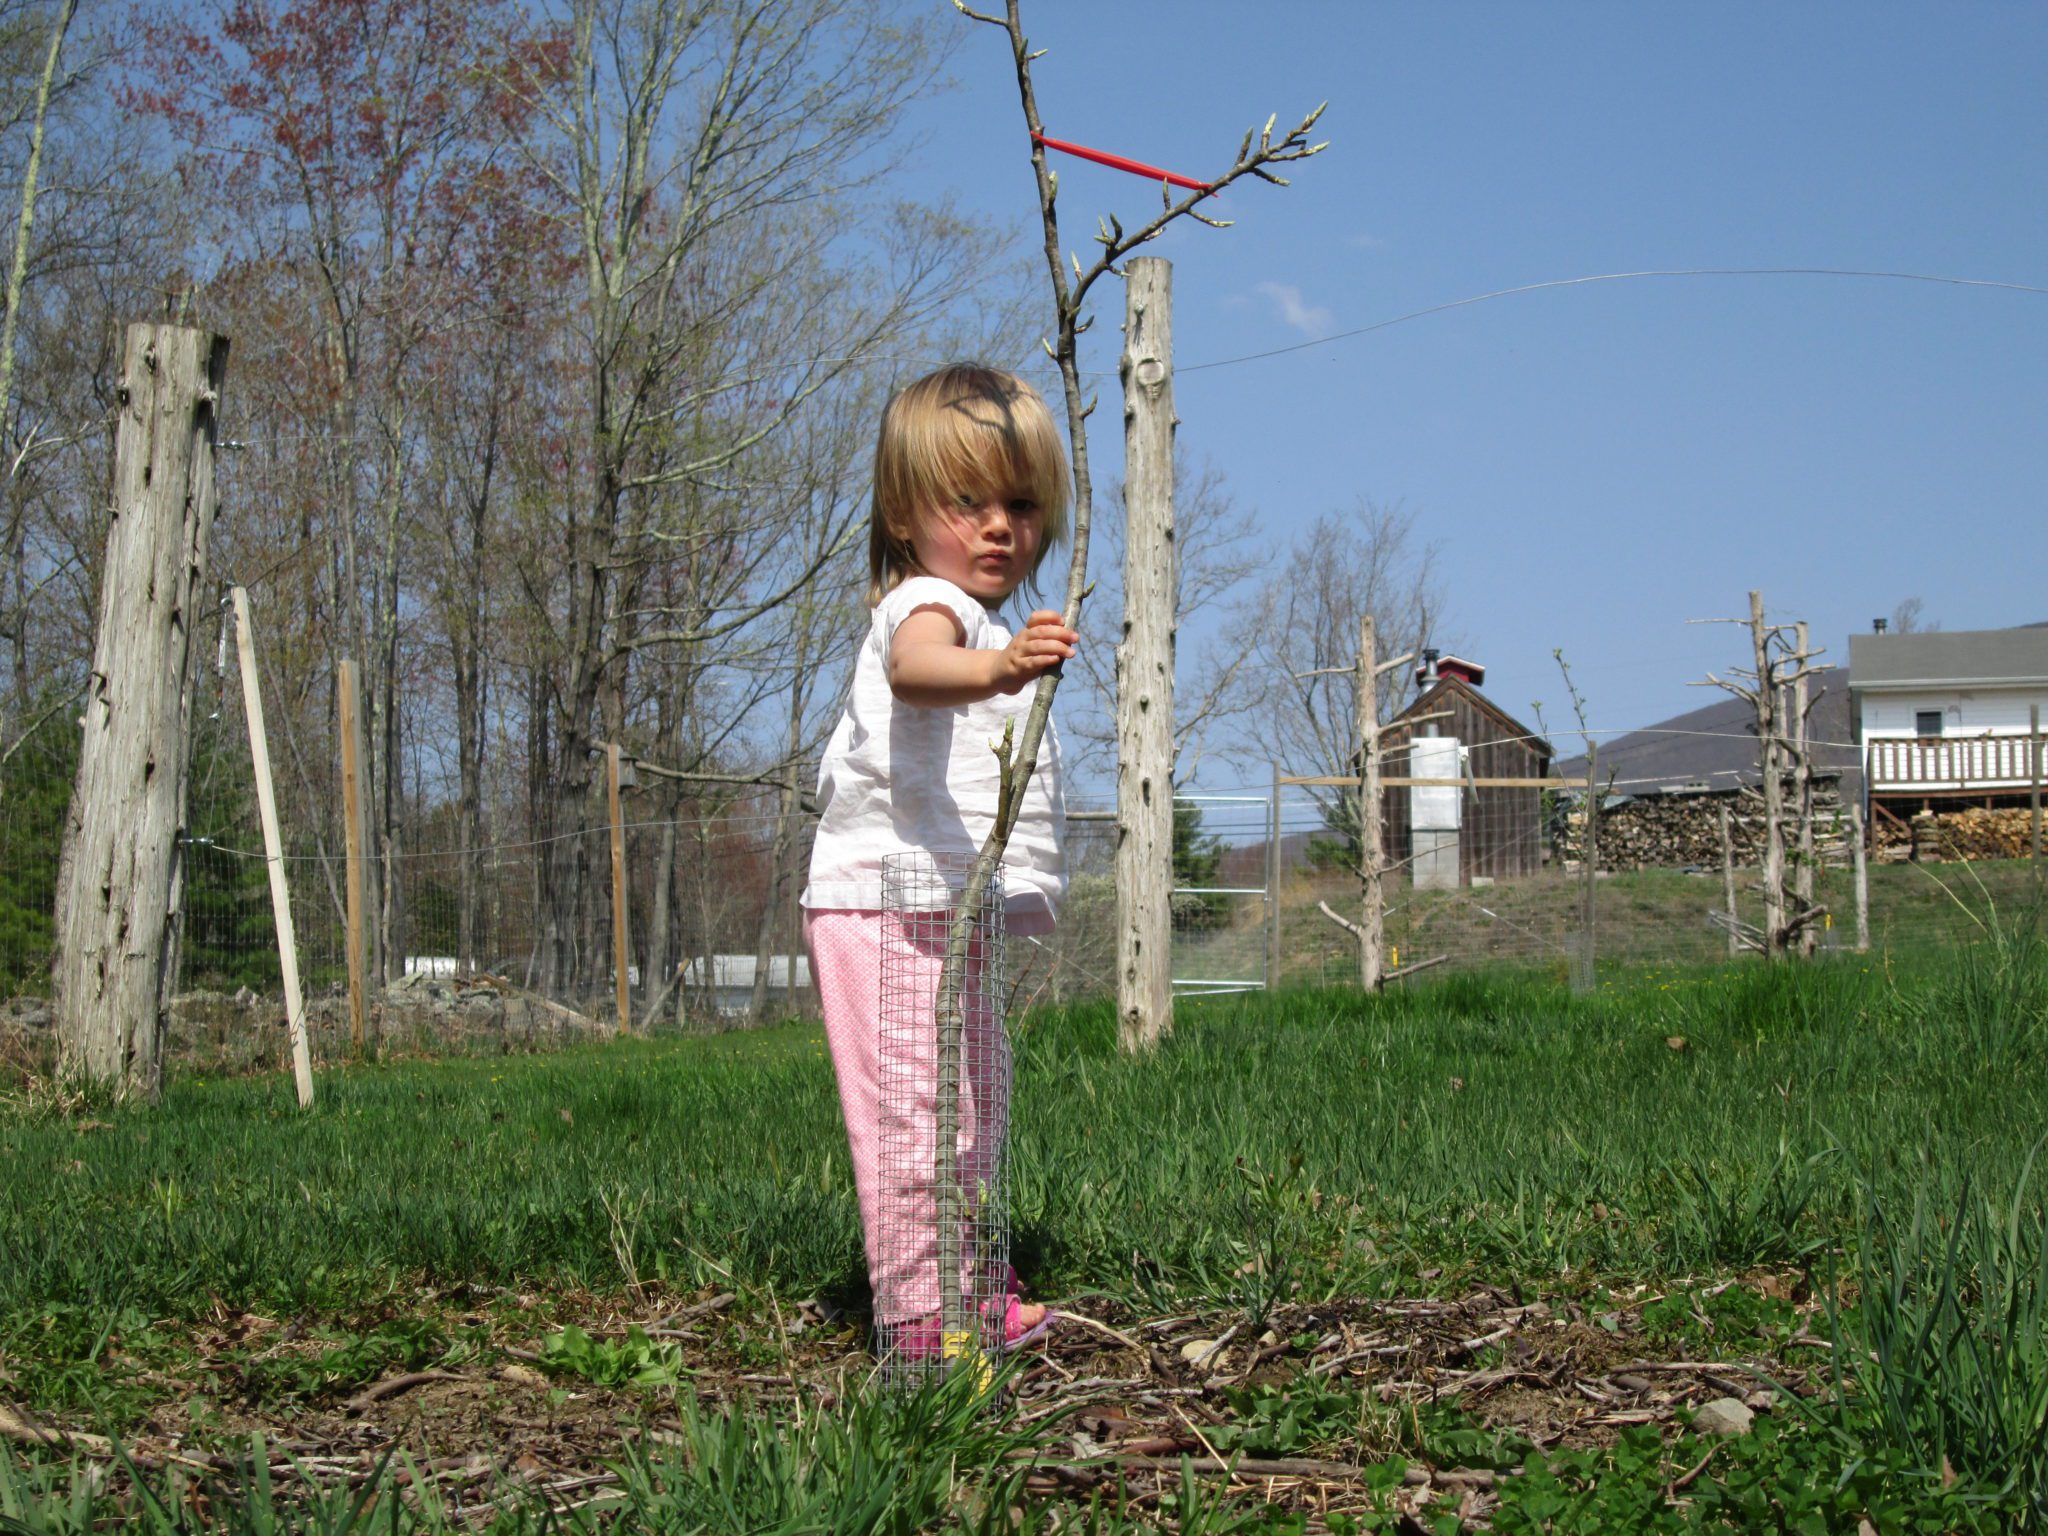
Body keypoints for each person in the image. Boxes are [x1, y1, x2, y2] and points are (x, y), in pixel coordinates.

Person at [801, 363, 1077, 1358]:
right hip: (886, 903)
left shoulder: (978, 617)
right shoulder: (929, 607)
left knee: (964, 1100)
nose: (1000, 526)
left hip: (932, 903)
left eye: (1022, 504)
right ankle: (920, 1320)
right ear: (903, 512)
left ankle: (965, 1278)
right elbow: (918, 674)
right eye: (967, 501)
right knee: (915, 1109)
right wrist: (1000, 670)